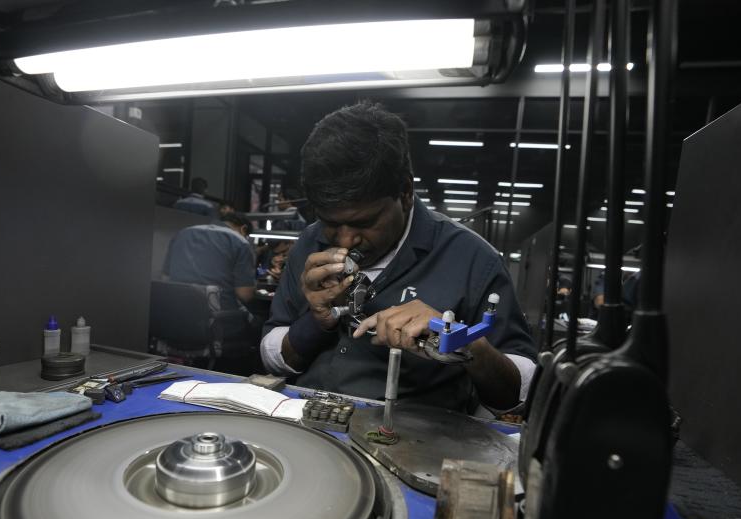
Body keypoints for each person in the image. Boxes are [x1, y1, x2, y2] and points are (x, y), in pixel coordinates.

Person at [260, 102, 536, 412]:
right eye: (331, 222)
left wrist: (462, 341)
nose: (346, 239)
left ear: (405, 193)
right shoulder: (309, 243)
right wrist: (315, 322)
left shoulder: (473, 258)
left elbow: (518, 394)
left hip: (417, 443)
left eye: (365, 222)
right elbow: (272, 356)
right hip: (311, 424)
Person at [163, 211, 255, 314]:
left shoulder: (182, 233)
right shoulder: (240, 242)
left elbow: (165, 277)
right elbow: (245, 295)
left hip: (175, 308)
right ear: (243, 229)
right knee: (258, 321)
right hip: (218, 315)